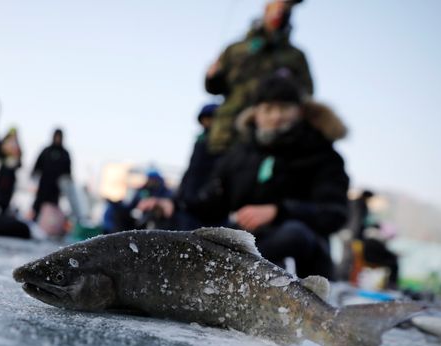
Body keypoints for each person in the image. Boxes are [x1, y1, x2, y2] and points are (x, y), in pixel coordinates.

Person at [139, 74, 349, 279]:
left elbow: (334, 213)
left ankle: (292, 290)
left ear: (300, 111)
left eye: (284, 108)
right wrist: (173, 206)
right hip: (247, 244)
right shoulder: (239, 154)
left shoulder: (324, 156)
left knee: (293, 233)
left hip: (300, 250)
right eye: (268, 109)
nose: (276, 116)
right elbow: (210, 203)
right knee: (174, 222)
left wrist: (278, 211)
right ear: (256, 113)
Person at [205, 0, 313, 155]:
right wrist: (212, 77)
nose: (279, 12)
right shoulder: (235, 49)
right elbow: (214, 88)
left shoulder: (296, 56)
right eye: (275, 6)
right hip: (227, 134)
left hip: (271, 139)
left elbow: (306, 94)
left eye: (285, 8)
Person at [173, 103, 223, 229]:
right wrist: (181, 194)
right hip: (190, 202)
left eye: (210, 119)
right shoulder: (200, 141)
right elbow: (191, 170)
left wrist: (204, 195)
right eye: (205, 120)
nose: (207, 123)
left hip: (209, 207)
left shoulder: (222, 143)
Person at [30, 128, 71, 220]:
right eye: (56, 136)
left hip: (55, 188)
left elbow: (68, 173)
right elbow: (37, 165)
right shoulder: (46, 151)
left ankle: (49, 224)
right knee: (38, 205)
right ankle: (33, 221)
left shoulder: (65, 154)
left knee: (52, 208)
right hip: (43, 185)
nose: (57, 139)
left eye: (59, 137)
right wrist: (33, 176)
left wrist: (66, 186)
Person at [0, 127, 22, 215]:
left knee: (6, 195)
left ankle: (3, 212)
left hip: (10, 175)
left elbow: (20, 163)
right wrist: (4, 153)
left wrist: (15, 160)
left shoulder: (18, 148)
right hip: (0, 173)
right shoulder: (1, 144)